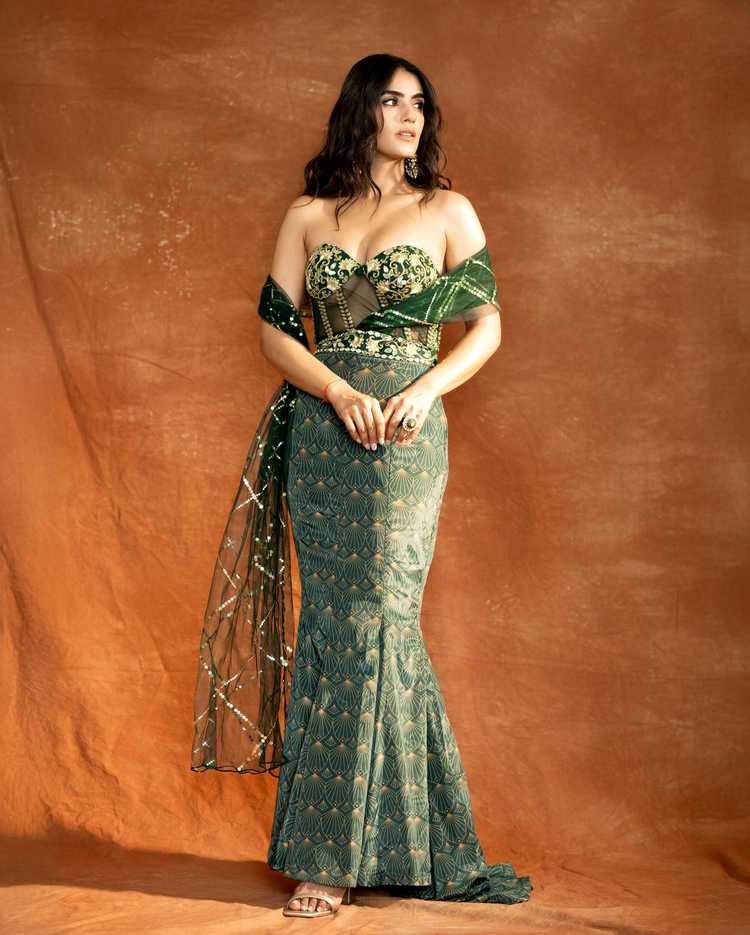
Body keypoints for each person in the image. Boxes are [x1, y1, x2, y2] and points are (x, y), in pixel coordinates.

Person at [191, 52, 533, 918]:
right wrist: (338, 391)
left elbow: (487, 327)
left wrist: (423, 389)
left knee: (383, 617)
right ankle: (354, 848)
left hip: (406, 435)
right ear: (360, 112)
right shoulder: (308, 215)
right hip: (323, 431)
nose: (410, 116)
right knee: (335, 621)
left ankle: (351, 850)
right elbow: (275, 333)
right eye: (391, 101)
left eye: (419, 103)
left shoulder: (447, 210)